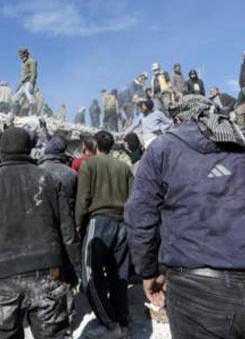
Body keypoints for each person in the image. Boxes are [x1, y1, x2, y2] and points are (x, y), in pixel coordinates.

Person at [125, 96, 245, 339]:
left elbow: (139, 218)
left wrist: (148, 271)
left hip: (198, 295)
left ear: (176, 118)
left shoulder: (162, 148)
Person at [0, 127, 79, 339]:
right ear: (29, 149)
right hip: (48, 275)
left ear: (1, 150)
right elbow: (68, 233)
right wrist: (73, 271)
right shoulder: (49, 180)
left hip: (2, 281)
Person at [76, 131, 134, 338]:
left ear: (95, 145)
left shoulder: (89, 165)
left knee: (90, 273)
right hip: (123, 224)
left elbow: (83, 199)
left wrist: (78, 224)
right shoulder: (125, 167)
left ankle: (109, 322)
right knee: (120, 274)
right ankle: (122, 320)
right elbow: (133, 198)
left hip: (99, 222)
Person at [13, 47, 38, 115]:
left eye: (21, 54)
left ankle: (33, 113)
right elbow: (22, 76)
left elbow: (34, 73)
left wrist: (32, 82)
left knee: (29, 96)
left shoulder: (31, 61)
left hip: (28, 81)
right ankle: (15, 114)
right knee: (15, 98)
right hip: (23, 83)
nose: (20, 56)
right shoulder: (23, 63)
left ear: (25, 54)